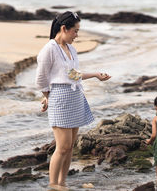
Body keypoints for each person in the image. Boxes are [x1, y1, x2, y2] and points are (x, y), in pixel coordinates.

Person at [35, 11, 111, 191]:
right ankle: (53, 184)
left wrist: (95, 75)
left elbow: (73, 75)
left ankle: (62, 183)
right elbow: (40, 79)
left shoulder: (71, 49)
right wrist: (47, 97)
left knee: (69, 147)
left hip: (75, 97)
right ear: (64, 28)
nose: (77, 35)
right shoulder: (49, 49)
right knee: (62, 147)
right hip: (60, 99)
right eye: (75, 31)